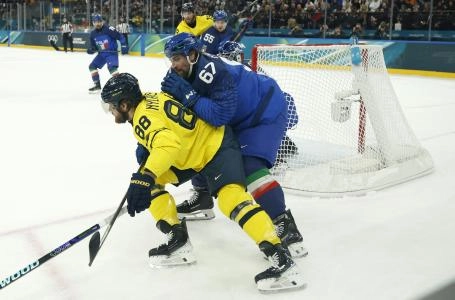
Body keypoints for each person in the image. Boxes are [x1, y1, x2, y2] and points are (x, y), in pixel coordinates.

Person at [100, 73, 304, 292]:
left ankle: (281, 258)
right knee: (148, 180)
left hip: (215, 148)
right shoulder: (149, 98)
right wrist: (146, 169)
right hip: (192, 150)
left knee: (231, 200)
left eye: (112, 107)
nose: (111, 112)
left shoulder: (142, 118)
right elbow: (168, 136)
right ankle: (178, 240)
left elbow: (167, 145)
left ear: (124, 104)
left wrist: (146, 176)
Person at [160, 33, 307, 258]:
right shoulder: (179, 72)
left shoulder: (215, 71)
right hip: (240, 114)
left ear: (192, 55)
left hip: (264, 110)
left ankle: (283, 222)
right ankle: (203, 195)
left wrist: (189, 97)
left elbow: (219, 115)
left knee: (249, 166)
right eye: (171, 59)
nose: (174, 65)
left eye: (177, 58)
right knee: (202, 144)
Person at [86, 14, 128, 94]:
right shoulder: (93, 34)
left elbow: (120, 36)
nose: (97, 24)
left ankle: (120, 86)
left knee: (112, 68)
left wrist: (123, 44)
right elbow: (94, 47)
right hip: (101, 54)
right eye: (95, 22)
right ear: (93, 23)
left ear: (102, 22)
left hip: (111, 53)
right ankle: (97, 86)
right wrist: (91, 50)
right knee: (92, 66)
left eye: (99, 22)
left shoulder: (109, 29)